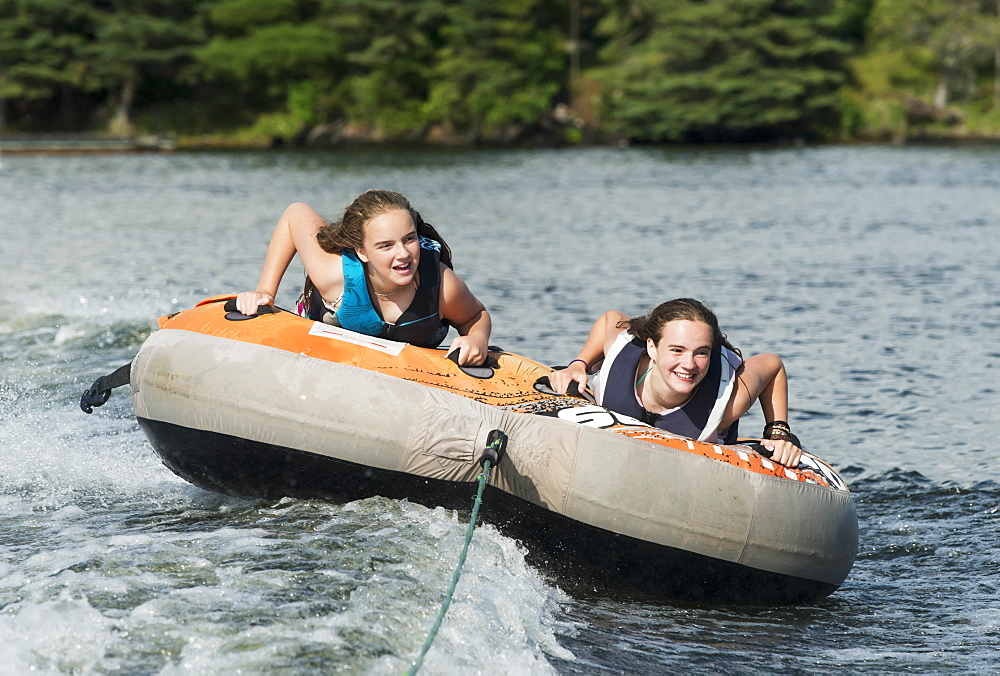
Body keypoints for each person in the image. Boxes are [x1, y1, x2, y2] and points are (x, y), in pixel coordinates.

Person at [236, 190, 491, 366]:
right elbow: (295, 214)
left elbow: (475, 316)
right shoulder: (334, 276)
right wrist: (265, 291)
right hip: (319, 345)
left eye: (409, 239)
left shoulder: (442, 286)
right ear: (361, 252)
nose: (403, 254)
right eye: (385, 246)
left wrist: (477, 339)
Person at [548, 298, 802, 467]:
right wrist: (578, 364)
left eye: (701, 352)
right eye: (677, 351)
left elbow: (772, 364)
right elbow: (610, 319)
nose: (689, 364)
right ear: (653, 348)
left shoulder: (727, 401)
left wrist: (778, 433)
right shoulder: (622, 354)